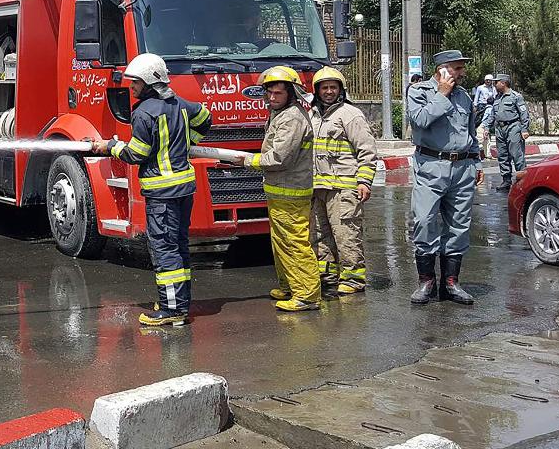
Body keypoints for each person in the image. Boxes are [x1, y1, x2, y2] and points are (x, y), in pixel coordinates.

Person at [90, 53, 212, 327]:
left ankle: (171, 311)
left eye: (135, 84)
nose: (131, 88)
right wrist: (186, 142)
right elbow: (205, 117)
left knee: (164, 250)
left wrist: (109, 146)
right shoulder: (179, 104)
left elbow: (136, 154)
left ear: (149, 83)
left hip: (162, 195)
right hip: (183, 190)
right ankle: (177, 303)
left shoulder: (144, 112)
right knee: (178, 247)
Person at [229, 66, 320, 313]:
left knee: (295, 243)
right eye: (268, 93)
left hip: (291, 192)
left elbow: (279, 158)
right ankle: (291, 286)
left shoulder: (292, 117)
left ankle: (307, 295)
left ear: (291, 93)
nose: (272, 98)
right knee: (280, 242)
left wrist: (247, 160)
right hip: (279, 192)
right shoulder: (279, 114)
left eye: (277, 93)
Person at [405, 50, 483, 305]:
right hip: (431, 166)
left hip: (462, 168)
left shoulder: (464, 96)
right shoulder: (418, 92)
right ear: (442, 69)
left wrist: (476, 162)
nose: (462, 73)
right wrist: (442, 94)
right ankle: (426, 281)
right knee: (425, 221)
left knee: (459, 225)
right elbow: (420, 119)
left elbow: (470, 132)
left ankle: (451, 282)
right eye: (457, 68)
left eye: (462, 68)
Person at [309, 67, 377, 296]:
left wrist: (364, 181)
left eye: (333, 87)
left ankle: (353, 278)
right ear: (317, 91)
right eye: (324, 87)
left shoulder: (351, 115)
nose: (329, 92)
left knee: (346, 234)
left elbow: (367, 151)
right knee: (319, 235)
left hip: (344, 189)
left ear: (340, 90)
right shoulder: (312, 116)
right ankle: (327, 276)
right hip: (317, 188)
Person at [482, 73, 530, 194]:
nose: (495, 84)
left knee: (516, 155)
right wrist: (487, 127)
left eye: (496, 82)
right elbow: (493, 114)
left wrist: (524, 129)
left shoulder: (515, 96)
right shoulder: (497, 97)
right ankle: (506, 180)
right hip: (500, 129)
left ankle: (522, 181)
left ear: (503, 83)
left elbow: (524, 114)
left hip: (513, 127)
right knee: (502, 156)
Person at [473, 74, 498, 157]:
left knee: (487, 128)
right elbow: (476, 97)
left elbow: (495, 96)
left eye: (489, 80)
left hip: (490, 105)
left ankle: (487, 151)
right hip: (482, 105)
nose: (488, 81)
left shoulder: (493, 88)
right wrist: (475, 106)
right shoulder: (480, 88)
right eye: (487, 80)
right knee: (481, 125)